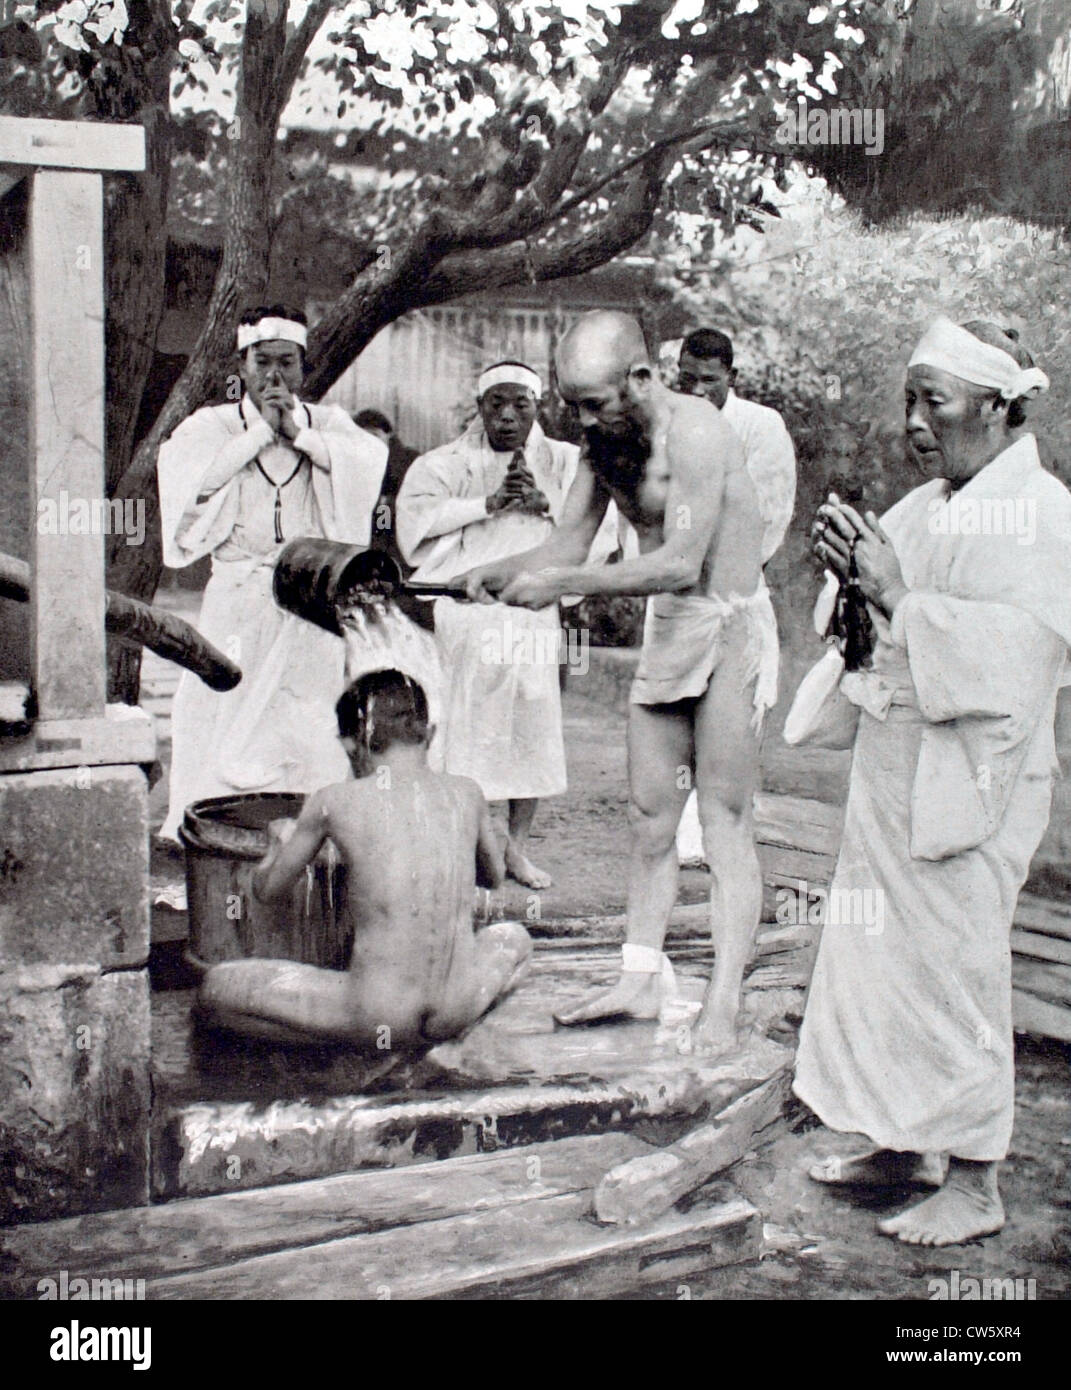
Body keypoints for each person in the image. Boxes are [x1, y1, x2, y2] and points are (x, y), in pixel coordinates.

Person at [795, 318, 1071, 1246]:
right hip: (894, 764)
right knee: (877, 967)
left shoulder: (1041, 513)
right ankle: (897, 1142)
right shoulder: (923, 506)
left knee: (955, 968)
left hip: (974, 779)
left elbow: (1019, 658)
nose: (914, 421)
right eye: (908, 399)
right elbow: (867, 624)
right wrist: (851, 582)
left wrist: (898, 595)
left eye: (934, 401)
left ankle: (978, 1180)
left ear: (996, 408)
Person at [462, 312, 772, 1053]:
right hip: (669, 630)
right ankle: (639, 979)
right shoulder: (602, 442)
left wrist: (563, 583)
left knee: (724, 821)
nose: (581, 418)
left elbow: (680, 563)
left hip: (729, 627)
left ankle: (722, 1001)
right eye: (571, 403)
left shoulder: (696, 432)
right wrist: (493, 569)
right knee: (647, 818)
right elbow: (565, 540)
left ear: (640, 378)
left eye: (593, 402)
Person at [198, 669, 533, 1046]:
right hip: (458, 1006)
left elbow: (268, 890)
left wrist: (279, 842)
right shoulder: (468, 793)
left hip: (378, 1015)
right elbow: (494, 878)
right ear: (430, 734)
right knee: (516, 938)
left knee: (215, 988)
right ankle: (434, 1041)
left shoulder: (332, 801)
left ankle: (355, 1049)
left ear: (351, 746)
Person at [156, 305, 387, 844]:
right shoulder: (213, 425)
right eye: (262, 363)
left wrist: (298, 436)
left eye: (287, 362)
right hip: (238, 596)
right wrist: (260, 434)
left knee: (306, 711)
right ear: (243, 365)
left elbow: (367, 460)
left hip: (306, 599)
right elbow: (188, 478)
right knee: (221, 703)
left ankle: (307, 833)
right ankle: (212, 830)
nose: (274, 376)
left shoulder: (327, 424)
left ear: (304, 369)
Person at [396, 359, 613, 890]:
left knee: (530, 729)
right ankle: (467, 848)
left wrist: (546, 505)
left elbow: (602, 534)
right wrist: (486, 504)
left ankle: (516, 849)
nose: (509, 416)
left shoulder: (565, 463)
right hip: (467, 619)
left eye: (521, 404)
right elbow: (413, 532)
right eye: (498, 404)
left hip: (531, 617)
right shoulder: (444, 464)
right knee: (464, 732)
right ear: (480, 408)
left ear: (538, 408)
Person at [675, 327, 797, 866]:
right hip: (676, 587)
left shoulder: (760, 426)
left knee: (731, 715)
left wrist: (726, 568)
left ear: (732, 378)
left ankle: (723, 825)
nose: (697, 391)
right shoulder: (669, 421)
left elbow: (771, 511)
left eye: (709, 381)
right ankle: (683, 829)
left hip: (735, 589)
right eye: (687, 380)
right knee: (677, 710)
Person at [354, 409, 419, 572]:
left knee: (384, 512)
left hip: (402, 522)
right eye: (363, 438)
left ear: (388, 435)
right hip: (376, 522)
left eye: (375, 436)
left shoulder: (406, 459)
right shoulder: (360, 460)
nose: (370, 443)